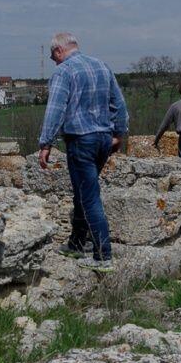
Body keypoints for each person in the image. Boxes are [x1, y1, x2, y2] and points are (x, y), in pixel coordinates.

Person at [38, 32, 128, 273]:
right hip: (103, 140)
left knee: (88, 196)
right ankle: (77, 243)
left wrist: (46, 143)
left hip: (81, 140)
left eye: (52, 56)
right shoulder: (101, 65)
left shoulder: (64, 72)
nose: (53, 60)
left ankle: (102, 255)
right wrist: (119, 133)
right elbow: (119, 104)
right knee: (82, 190)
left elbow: (55, 109)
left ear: (59, 51)